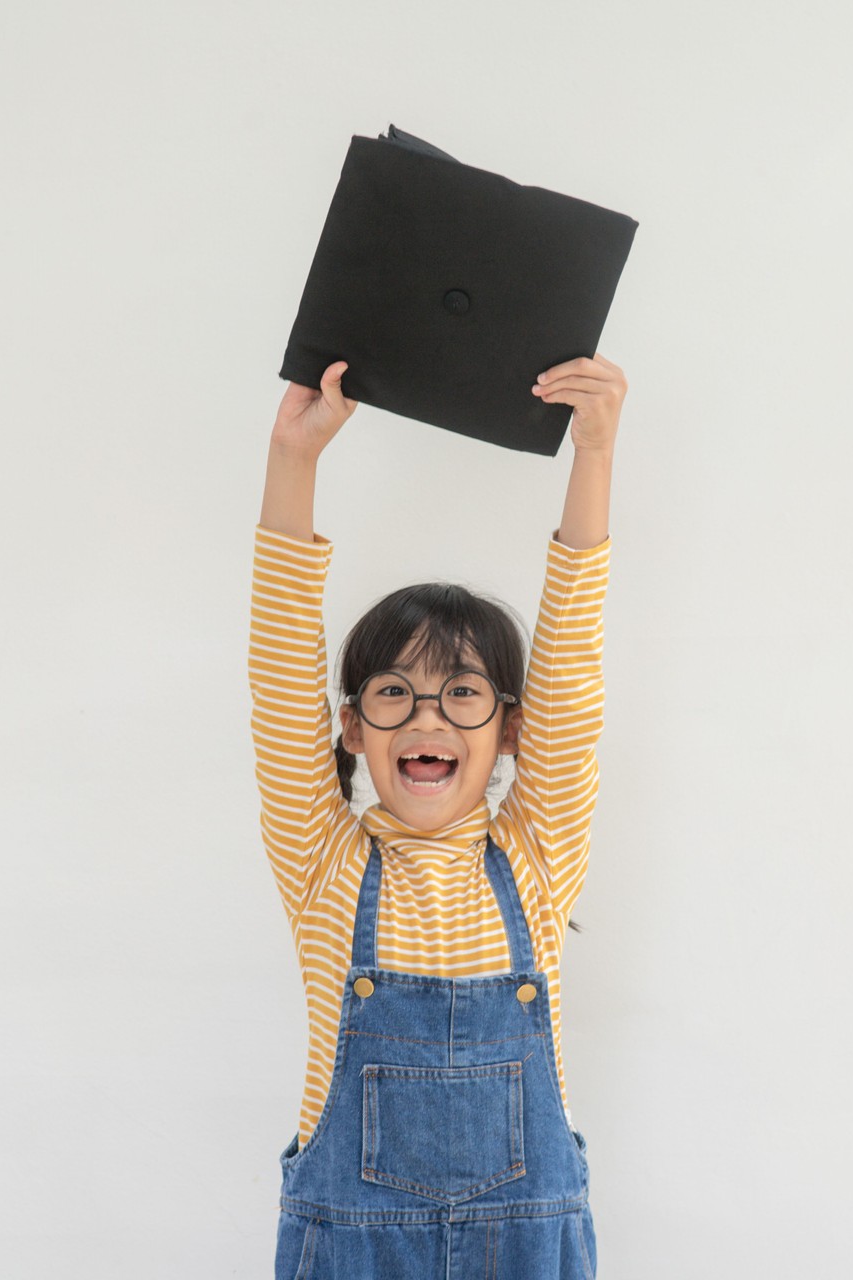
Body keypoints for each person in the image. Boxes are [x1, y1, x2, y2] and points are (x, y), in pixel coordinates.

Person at [249, 354, 624, 1277]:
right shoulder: (321, 857)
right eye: (393, 692)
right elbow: (280, 665)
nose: (425, 717)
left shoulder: (538, 853)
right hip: (355, 1249)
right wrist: (293, 462)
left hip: (525, 1247)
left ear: (509, 732)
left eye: (461, 693)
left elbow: (571, 668)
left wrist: (596, 453)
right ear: (348, 727)